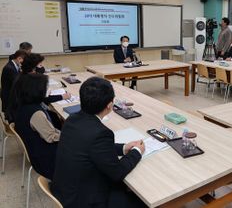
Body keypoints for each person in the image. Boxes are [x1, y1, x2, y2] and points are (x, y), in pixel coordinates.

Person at [51, 77, 146, 208]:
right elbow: (117, 172)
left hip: (64, 191)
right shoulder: (101, 133)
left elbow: (92, 147)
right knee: (142, 201)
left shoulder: (71, 119)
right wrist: (137, 152)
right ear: (109, 105)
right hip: (84, 201)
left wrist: (124, 148)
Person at [14, 73, 61, 180]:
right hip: (46, 161)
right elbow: (51, 137)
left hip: (35, 149)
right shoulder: (36, 113)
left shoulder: (23, 105)